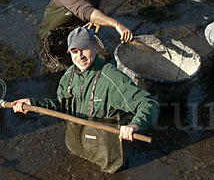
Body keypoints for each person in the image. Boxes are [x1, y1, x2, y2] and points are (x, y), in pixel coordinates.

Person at [14, 27, 159, 139]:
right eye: (75, 51)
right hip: (78, 142)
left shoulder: (112, 78)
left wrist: (135, 125)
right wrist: (33, 104)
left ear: (96, 48)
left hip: (106, 149)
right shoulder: (69, 76)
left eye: (84, 49)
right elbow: (61, 106)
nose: (80, 56)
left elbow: (149, 104)